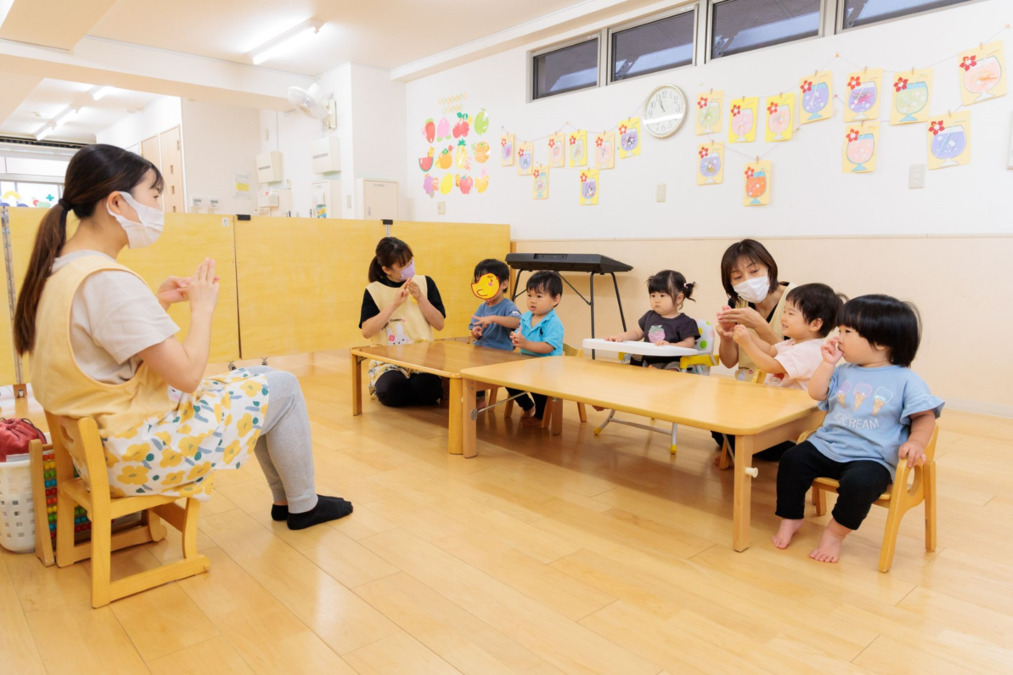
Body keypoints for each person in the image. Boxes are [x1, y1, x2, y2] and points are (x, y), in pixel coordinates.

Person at [14, 144, 351, 530]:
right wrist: (203, 307)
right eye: (154, 196)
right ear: (117, 203)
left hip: (93, 450)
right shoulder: (107, 280)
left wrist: (156, 303)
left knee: (261, 382)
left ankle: (287, 501)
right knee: (284, 385)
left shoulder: (61, 269)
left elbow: (104, 348)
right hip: (135, 455)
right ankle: (302, 505)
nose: (160, 209)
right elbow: (188, 376)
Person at [772, 295, 943, 563]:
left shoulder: (907, 380)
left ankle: (835, 534)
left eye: (847, 332)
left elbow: (924, 417)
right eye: (838, 330)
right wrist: (828, 363)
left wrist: (917, 443)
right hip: (827, 445)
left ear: (881, 341)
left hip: (871, 458)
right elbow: (816, 394)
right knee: (792, 459)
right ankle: (791, 517)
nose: (838, 337)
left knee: (859, 485)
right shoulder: (843, 370)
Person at [359, 236, 446, 406]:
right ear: (387, 269)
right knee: (393, 390)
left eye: (410, 262)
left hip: (423, 358)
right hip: (387, 360)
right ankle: (383, 384)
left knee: (428, 390)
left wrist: (420, 297)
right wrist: (393, 304)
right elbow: (367, 331)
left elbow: (439, 324)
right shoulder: (373, 290)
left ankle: (413, 387)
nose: (409, 267)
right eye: (403, 265)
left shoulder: (426, 282)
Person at [732, 283, 842, 391]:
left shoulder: (808, 350)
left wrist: (747, 344)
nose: (783, 317)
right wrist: (750, 336)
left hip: (796, 405)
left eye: (791, 314)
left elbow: (770, 366)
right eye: (784, 311)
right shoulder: (794, 342)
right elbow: (770, 350)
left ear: (815, 324)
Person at [715, 239, 793, 380]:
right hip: (745, 385)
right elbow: (729, 362)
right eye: (738, 277)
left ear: (769, 267)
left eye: (754, 271)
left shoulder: (796, 299)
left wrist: (759, 326)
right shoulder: (737, 303)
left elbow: (794, 357)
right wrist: (726, 338)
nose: (748, 281)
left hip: (783, 385)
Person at [603, 270, 699, 370]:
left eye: (662, 295)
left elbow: (689, 343)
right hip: (647, 359)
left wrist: (670, 345)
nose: (656, 300)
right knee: (633, 359)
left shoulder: (685, 322)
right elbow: (636, 333)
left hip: (670, 361)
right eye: (653, 295)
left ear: (679, 298)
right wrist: (621, 337)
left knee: (674, 367)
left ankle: (658, 375)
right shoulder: (649, 316)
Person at [508, 271, 564, 426]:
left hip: (547, 366)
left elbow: (547, 347)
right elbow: (520, 335)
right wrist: (516, 339)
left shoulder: (553, 322)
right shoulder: (525, 317)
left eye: (539, 296)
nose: (532, 300)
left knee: (539, 387)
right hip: (526, 363)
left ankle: (540, 415)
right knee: (506, 379)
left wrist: (525, 344)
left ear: (555, 299)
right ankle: (528, 405)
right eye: (529, 295)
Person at [469, 259, 522, 352]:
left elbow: (517, 322)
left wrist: (493, 318)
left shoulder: (508, 305)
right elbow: (473, 329)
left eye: (488, 284)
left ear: (504, 284)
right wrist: (475, 332)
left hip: (501, 352)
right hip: (481, 350)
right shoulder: (482, 307)